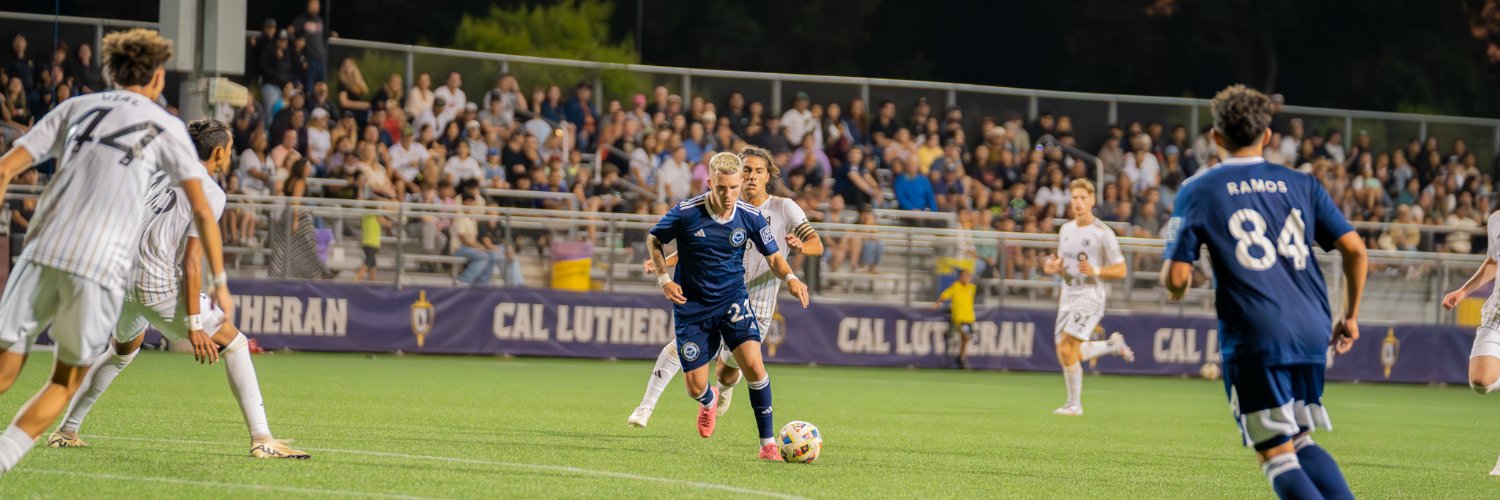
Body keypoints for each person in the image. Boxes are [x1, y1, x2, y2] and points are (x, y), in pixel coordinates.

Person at [0, 29, 231, 476]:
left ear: (112, 72)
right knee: (64, 380)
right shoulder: (165, 125)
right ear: (158, 78)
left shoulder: (75, 106)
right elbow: (203, 209)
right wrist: (220, 283)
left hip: (41, 247)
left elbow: (7, 167)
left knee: (6, 368)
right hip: (98, 261)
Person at [43, 119, 307, 459]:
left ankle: (66, 431)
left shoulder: (159, 175)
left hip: (120, 278)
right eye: (229, 150)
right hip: (156, 284)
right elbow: (192, 262)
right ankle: (262, 439)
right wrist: (195, 325)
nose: (230, 155)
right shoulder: (210, 191)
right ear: (218, 153)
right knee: (236, 343)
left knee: (122, 351)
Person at [1162, 85, 1366, 499]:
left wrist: (1174, 281)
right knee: (1300, 438)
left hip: (1258, 332)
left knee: (1275, 453)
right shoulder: (1302, 183)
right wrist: (1349, 316)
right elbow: (1356, 250)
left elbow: (1178, 278)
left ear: (1215, 137)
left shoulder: (1198, 189)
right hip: (1312, 326)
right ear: (1267, 135)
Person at [629, 146, 823, 429]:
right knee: (680, 347)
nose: (752, 176)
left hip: (757, 304)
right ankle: (647, 405)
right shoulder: (724, 203)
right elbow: (701, 245)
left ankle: (722, 388)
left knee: (728, 370)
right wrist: (666, 263)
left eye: (758, 171)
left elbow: (817, 244)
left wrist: (801, 247)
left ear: (768, 176)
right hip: (717, 294)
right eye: (747, 170)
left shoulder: (784, 207)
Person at [1041, 178, 1135, 416]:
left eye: (1083, 198)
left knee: (1067, 347)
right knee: (1066, 353)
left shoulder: (1102, 233)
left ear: (1092, 200)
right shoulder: (1065, 229)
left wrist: (1096, 270)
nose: (1078, 202)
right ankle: (1112, 345)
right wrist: (1056, 268)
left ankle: (1074, 404)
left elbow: (1121, 270)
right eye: (1074, 197)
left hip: (1090, 294)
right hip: (1068, 293)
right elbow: (1065, 266)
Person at [1441, 208, 1500, 475]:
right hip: (1497, 315)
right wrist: (1463, 291)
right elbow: (1493, 262)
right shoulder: (1496, 220)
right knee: (1481, 381)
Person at [935, 269, 978, 369]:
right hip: (959, 318)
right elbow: (944, 295)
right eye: (966, 276)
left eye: (969, 276)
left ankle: (961, 358)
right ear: (961, 277)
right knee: (965, 337)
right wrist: (937, 303)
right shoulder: (956, 286)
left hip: (969, 318)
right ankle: (958, 358)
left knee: (965, 339)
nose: (967, 278)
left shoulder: (972, 288)